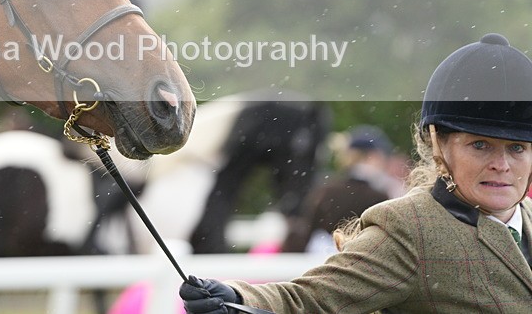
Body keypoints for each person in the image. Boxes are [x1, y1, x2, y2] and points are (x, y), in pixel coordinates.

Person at [180, 33, 532, 313]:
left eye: (517, 148)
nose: (501, 165)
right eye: (480, 146)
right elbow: (311, 299)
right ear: (439, 143)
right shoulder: (410, 228)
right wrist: (238, 299)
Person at [280, 125, 396, 255]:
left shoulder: (326, 191)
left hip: (318, 265)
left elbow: (308, 232)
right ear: (374, 156)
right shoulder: (379, 197)